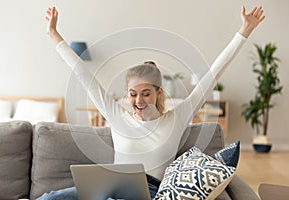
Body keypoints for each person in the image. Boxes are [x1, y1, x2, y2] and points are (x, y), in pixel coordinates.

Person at [39, 5, 265, 200]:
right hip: (110, 189)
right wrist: (53, 34)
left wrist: (244, 31)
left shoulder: (177, 117)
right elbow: (82, 74)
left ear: (158, 92)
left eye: (146, 93)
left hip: (149, 192)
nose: (138, 100)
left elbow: (213, 74)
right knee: (51, 197)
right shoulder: (117, 115)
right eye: (132, 94)